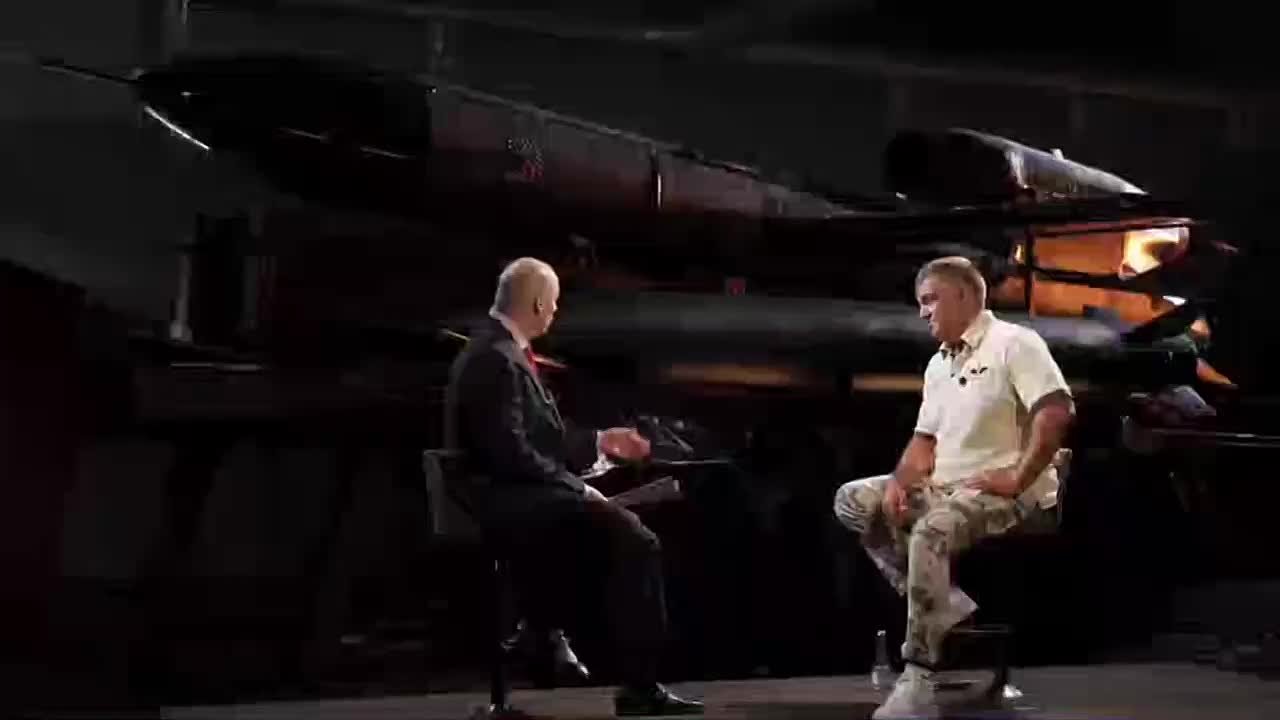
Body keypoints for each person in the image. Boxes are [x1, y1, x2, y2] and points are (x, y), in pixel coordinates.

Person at [444, 257, 703, 716]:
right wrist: (578, 489)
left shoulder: (501, 351)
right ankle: (631, 682)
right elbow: (509, 452)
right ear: (538, 304)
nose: (555, 312)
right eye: (554, 303)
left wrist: (600, 442)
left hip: (521, 494)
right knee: (637, 542)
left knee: (619, 528)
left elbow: (537, 440)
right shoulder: (494, 357)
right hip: (508, 503)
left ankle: (543, 630)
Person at [833, 256, 1075, 719]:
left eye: (930, 300)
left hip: (1006, 494)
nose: (922, 312)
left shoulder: (1015, 343)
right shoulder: (938, 364)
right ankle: (946, 604)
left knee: (932, 530)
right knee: (853, 500)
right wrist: (899, 482)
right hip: (946, 486)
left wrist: (1019, 476)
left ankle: (919, 676)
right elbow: (924, 441)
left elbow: (1056, 410)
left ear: (963, 296)